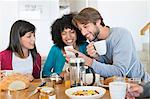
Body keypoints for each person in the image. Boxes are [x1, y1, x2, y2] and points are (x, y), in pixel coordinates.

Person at [71, 7, 150, 81]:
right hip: (115, 85)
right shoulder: (95, 41)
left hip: (140, 86)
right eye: (80, 29)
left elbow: (119, 72)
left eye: (86, 26)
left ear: (98, 22)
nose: (83, 33)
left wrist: (88, 61)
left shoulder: (121, 35)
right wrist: (96, 57)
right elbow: (106, 67)